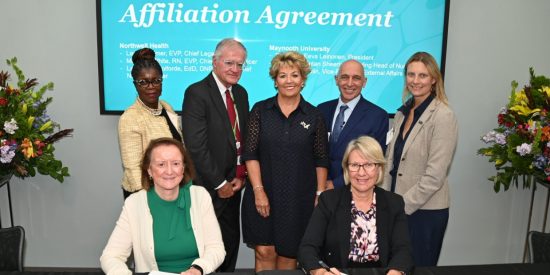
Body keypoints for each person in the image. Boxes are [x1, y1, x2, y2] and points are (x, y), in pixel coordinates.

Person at [241, 51, 329, 272]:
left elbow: (321, 159)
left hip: (298, 199)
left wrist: (319, 194)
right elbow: (250, 154)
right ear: (275, 80)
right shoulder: (261, 111)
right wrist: (258, 190)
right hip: (263, 193)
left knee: (289, 255)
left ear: (303, 79)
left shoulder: (314, 115)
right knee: (264, 251)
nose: (289, 80)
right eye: (282, 75)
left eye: (295, 75)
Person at [100, 137, 225, 275]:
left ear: (183, 168)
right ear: (149, 170)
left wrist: (198, 269)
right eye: (161, 164)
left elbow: (216, 248)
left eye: (176, 163)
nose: (169, 171)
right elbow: (111, 257)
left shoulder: (200, 196)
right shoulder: (134, 204)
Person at [382, 52, 458, 266]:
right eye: (411, 74)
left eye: (423, 76)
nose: (415, 81)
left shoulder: (443, 116)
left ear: (434, 79)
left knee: (419, 268)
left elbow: (435, 176)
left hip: (425, 212)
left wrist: (400, 206)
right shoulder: (402, 113)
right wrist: (387, 202)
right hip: (397, 208)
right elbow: (390, 162)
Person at [298, 136, 413, 275]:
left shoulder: (394, 203)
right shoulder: (329, 200)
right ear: (346, 168)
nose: (361, 172)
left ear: (379, 168)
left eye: (369, 165)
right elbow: (307, 248)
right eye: (355, 165)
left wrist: (395, 272)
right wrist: (320, 272)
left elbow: (403, 250)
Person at [181, 38, 249, 272]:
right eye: (229, 63)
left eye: (240, 64)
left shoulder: (241, 93)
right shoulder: (197, 93)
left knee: (229, 246)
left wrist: (242, 175)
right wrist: (220, 183)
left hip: (235, 186)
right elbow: (196, 146)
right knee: (206, 250)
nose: (235, 69)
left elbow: (241, 139)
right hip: (209, 187)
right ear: (214, 61)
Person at [118, 48, 183, 199]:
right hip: (146, 194)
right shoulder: (130, 118)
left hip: (171, 188)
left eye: (156, 81)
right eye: (143, 82)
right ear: (135, 85)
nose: (151, 87)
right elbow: (132, 168)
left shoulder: (167, 107)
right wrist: (148, 201)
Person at [318, 60, 389, 189]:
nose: (349, 83)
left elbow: (375, 161)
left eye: (356, 78)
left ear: (364, 82)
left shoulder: (378, 116)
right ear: (336, 80)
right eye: (344, 77)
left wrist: (335, 184)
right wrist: (322, 183)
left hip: (356, 190)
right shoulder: (322, 110)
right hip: (320, 189)